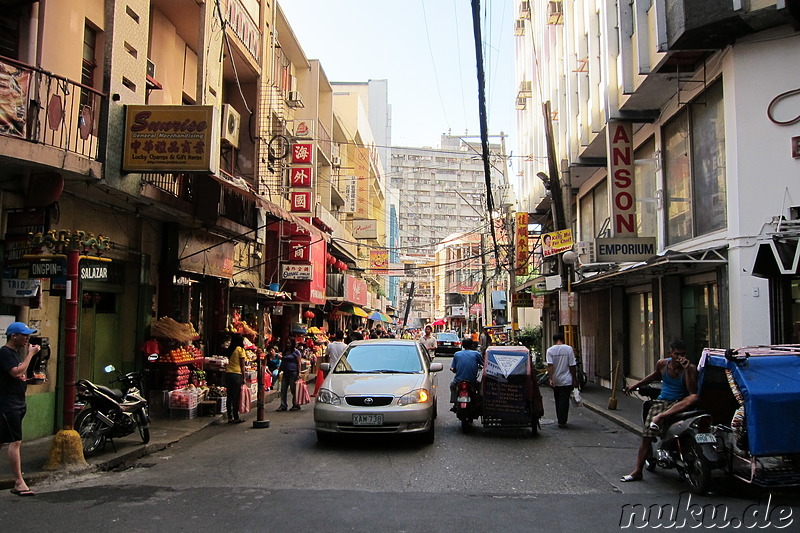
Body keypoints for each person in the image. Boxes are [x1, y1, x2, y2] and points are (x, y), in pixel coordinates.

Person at [620, 339, 698, 482]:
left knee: (693, 398)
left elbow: (692, 390)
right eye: (676, 354)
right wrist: (635, 385)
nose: (679, 357)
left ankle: (660, 417)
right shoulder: (662, 364)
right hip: (662, 402)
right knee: (647, 436)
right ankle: (638, 470)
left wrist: (686, 370)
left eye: (682, 354)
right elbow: (653, 376)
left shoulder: (690, 368)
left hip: (680, 403)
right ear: (670, 353)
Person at [1, 322, 41, 496]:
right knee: (15, 441)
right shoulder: (5, 353)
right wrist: (31, 354)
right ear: (13, 336)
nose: (27, 338)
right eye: (24, 335)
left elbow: (20, 375)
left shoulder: (15, 354)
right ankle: (19, 482)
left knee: (2, 440)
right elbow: (16, 372)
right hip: (8, 404)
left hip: (17, 401)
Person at [546, 332, 577, 429]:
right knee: (564, 400)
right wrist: (574, 378)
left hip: (556, 378)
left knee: (557, 399)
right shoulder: (569, 349)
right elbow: (572, 365)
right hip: (566, 379)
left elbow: (550, 366)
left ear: (554, 341)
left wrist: (551, 378)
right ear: (563, 340)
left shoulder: (550, 351)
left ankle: (560, 418)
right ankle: (562, 421)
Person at [449, 338, 483, 407]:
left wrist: (453, 370)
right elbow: (484, 364)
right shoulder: (476, 354)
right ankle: (479, 402)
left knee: (452, 385)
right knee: (480, 387)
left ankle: (454, 400)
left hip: (458, 380)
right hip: (472, 381)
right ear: (472, 345)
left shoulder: (457, 354)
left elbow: (453, 368)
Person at [222, 334, 248, 423]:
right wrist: (244, 377)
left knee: (229, 396)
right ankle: (236, 417)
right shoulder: (240, 350)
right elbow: (242, 365)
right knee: (236, 397)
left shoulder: (230, 349)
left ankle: (230, 417)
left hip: (228, 373)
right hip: (237, 374)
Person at [276, 338, 302, 411]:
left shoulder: (296, 352)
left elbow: (299, 363)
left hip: (293, 373)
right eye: (287, 343)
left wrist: (299, 373)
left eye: (289, 343)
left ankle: (296, 404)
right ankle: (283, 405)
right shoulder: (285, 352)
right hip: (285, 373)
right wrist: (279, 371)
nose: (288, 345)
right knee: (283, 389)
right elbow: (282, 363)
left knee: (293, 390)